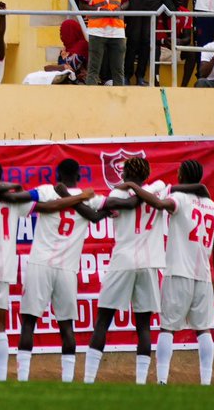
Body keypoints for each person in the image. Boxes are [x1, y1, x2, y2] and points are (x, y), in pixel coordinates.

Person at [0, 159, 94, 381]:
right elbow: (49, 207)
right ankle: (2, 379)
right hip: (4, 268)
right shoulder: (13, 199)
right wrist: (79, 198)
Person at [123, 161, 214, 385]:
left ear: (182, 176)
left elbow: (158, 203)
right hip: (204, 276)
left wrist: (134, 186)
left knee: (167, 328)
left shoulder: (180, 199)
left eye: (178, 173)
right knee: (203, 330)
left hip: (178, 272)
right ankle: (206, 382)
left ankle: (161, 380)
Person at [15, 159, 108, 383]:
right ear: (79, 176)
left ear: (58, 175)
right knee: (66, 326)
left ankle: (22, 379)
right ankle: (68, 382)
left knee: (29, 323)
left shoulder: (46, 191)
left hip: (41, 264)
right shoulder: (91, 199)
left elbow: (24, 199)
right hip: (67, 269)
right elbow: (115, 204)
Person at [82, 156, 165, 385]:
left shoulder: (117, 195)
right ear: (146, 175)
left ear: (124, 174)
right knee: (144, 326)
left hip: (123, 261)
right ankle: (140, 383)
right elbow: (149, 193)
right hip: (149, 263)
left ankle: (89, 380)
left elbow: (100, 213)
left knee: (103, 321)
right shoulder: (157, 189)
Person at [79, 0, 129, 86]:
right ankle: (91, 99)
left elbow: (126, 2)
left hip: (117, 30)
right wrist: (99, 11)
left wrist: (119, 8)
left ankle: (120, 98)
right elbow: (82, 4)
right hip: (97, 30)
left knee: (118, 69)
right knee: (94, 68)